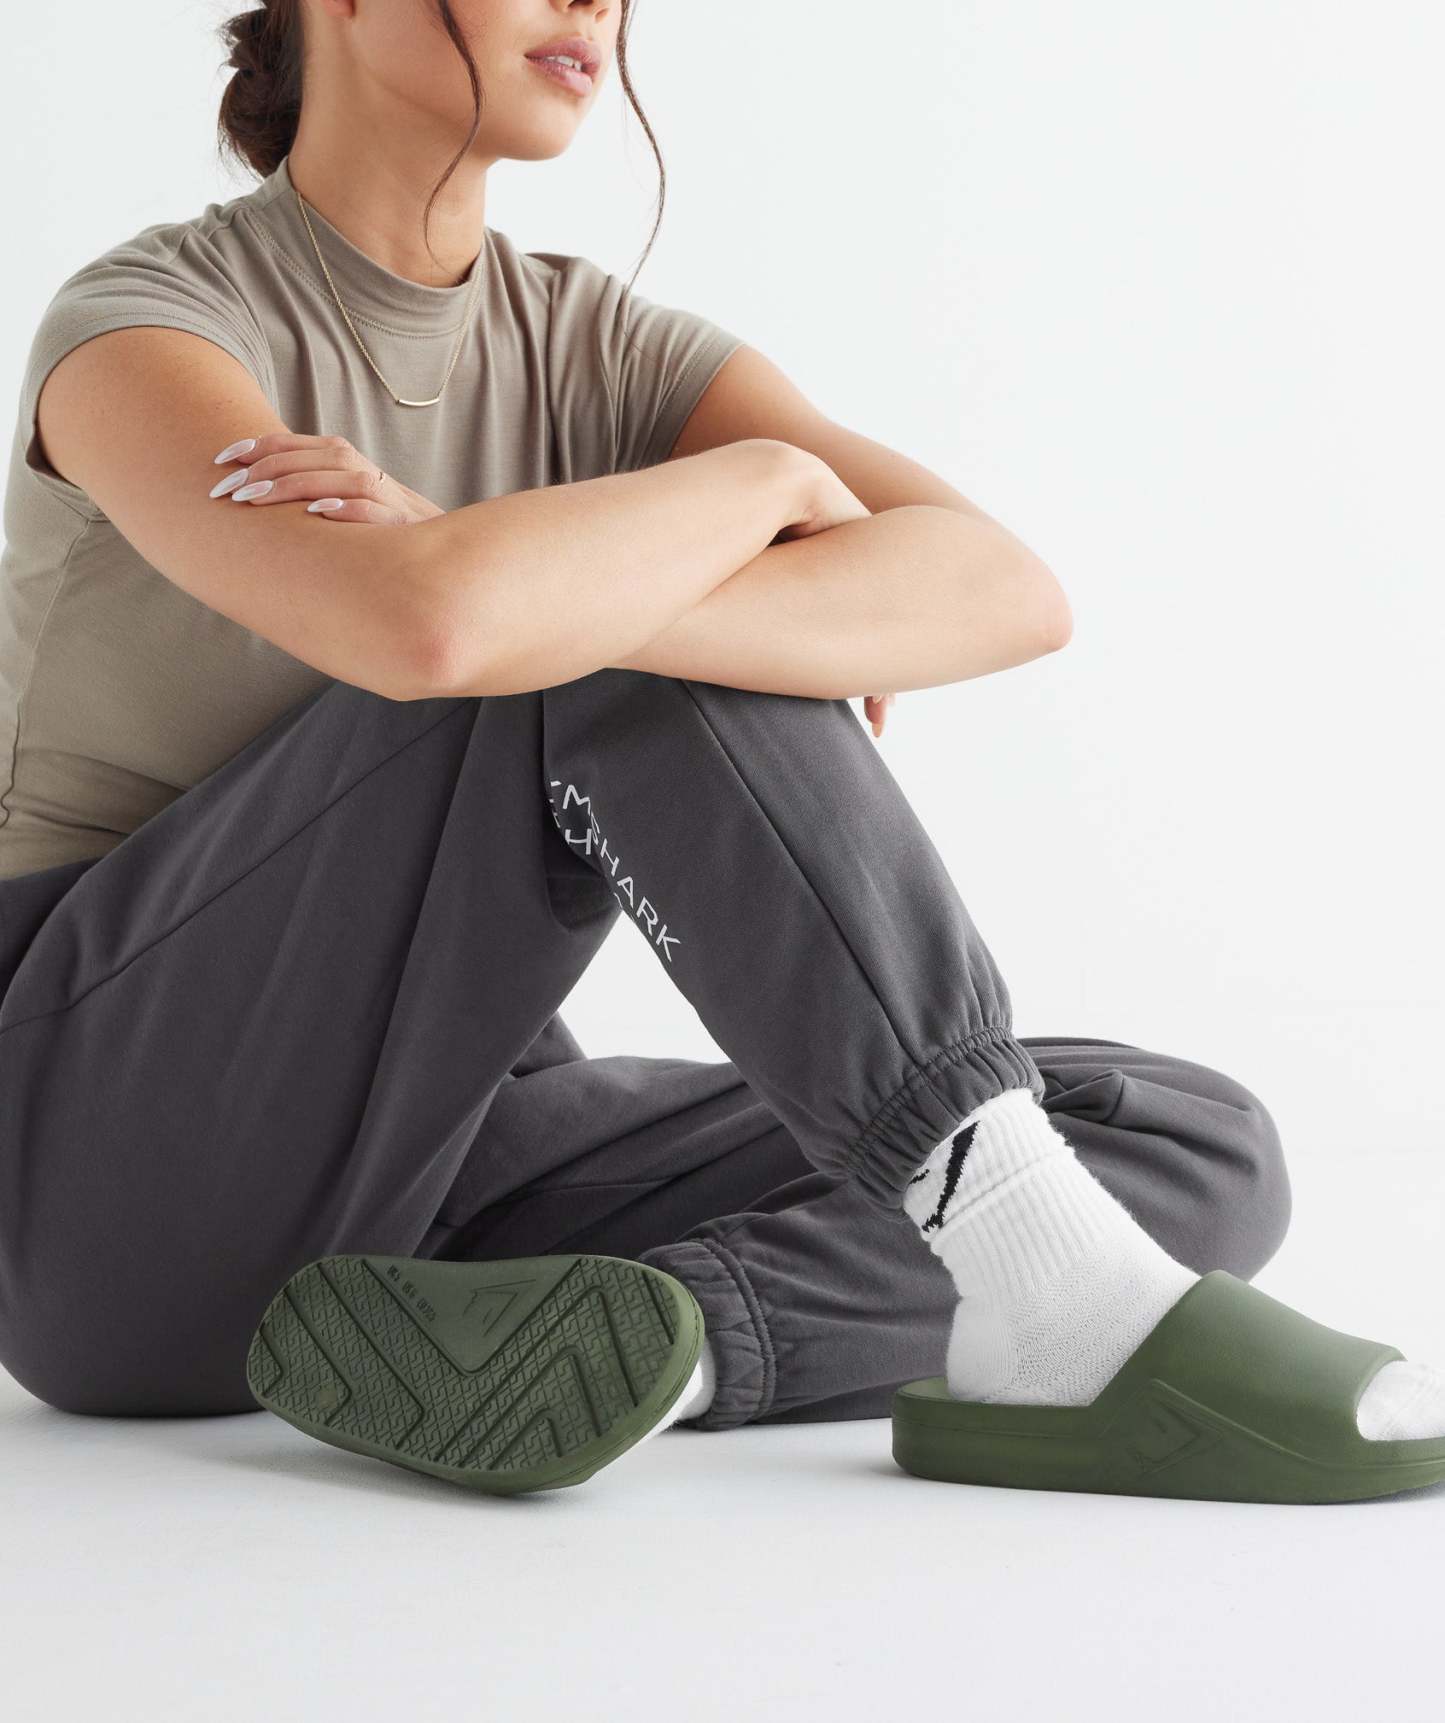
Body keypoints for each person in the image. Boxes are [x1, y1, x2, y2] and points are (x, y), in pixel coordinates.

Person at [0, 0, 1439, 1504]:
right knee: (607, 652)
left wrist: (562, 575)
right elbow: (422, 630)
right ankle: (1066, 1304)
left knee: (1189, 1145)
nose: (596, 7)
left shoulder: (600, 347)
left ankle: (663, 1346)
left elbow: (1004, 589)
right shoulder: (146, 329)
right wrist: (762, 484)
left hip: (439, 1156)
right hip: (102, 1166)